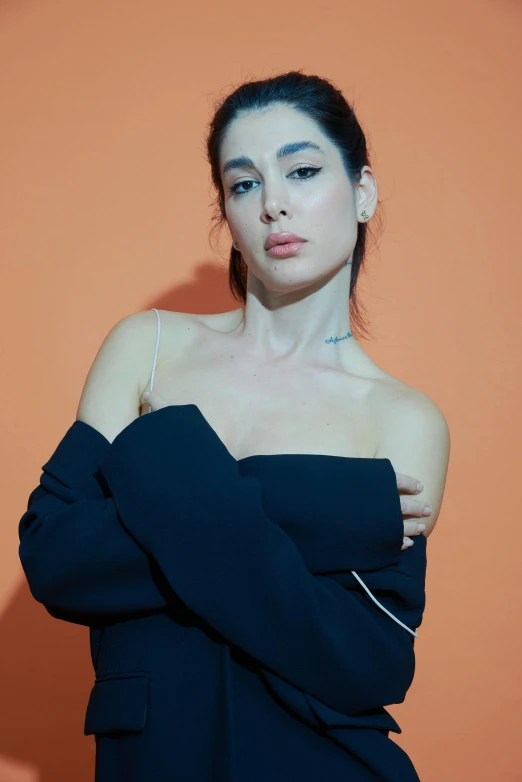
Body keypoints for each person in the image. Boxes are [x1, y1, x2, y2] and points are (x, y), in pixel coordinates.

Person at [18, 70, 450, 781]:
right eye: (244, 184)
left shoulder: (403, 417)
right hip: (152, 759)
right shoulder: (146, 345)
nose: (275, 204)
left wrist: (165, 470)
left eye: (303, 171)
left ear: (363, 192)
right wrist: (315, 504)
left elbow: (366, 660)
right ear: (226, 211)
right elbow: (58, 560)